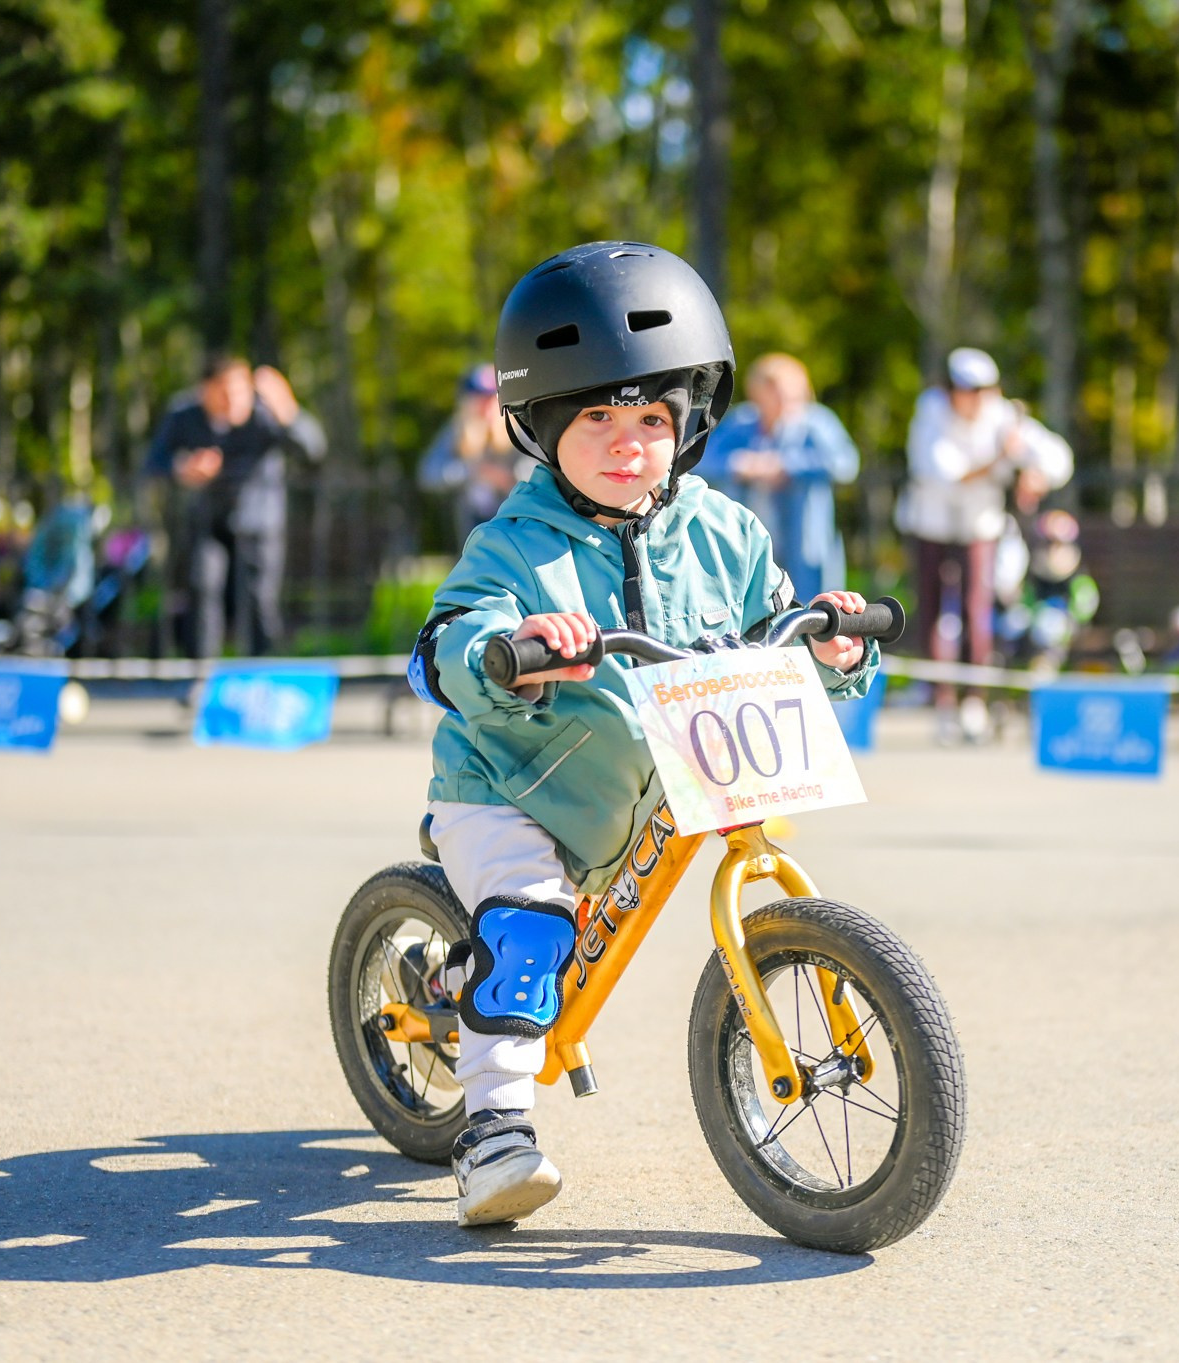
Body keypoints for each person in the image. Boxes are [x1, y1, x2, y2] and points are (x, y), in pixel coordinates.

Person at [408, 242, 881, 1228]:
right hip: (513, 784)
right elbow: (439, 647)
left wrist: (831, 648)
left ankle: (467, 975)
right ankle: (495, 1130)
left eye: (652, 418)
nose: (629, 441)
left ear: (691, 424)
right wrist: (509, 649)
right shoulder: (514, 544)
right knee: (534, 921)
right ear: (539, 426)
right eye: (597, 417)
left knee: (529, 944)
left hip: (666, 776)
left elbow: (774, 618)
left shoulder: (726, 534)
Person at [896, 347, 1072, 742]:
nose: (975, 399)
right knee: (933, 611)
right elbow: (944, 472)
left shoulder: (1003, 415)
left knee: (978, 609)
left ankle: (974, 701)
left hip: (980, 524)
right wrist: (1002, 459)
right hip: (932, 523)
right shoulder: (931, 412)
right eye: (967, 390)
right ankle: (941, 701)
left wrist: (1035, 473)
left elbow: (1059, 457)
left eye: (983, 390)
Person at [145, 356, 325, 659]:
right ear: (204, 391)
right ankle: (202, 674)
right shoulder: (184, 415)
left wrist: (290, 413)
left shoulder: (266, 412)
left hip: (259, 521)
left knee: (259, 600)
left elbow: (313, 450)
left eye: (239, 392)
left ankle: (261, 673)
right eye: (224, 393)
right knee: (202, 589)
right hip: (209, 521)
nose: (233, 401)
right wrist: (183, 467)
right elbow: (153, 463)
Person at [696, 352, 860, 603]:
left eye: (789, 393)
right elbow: (700, 460)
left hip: (806, 540)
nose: (781, 400)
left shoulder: (817, 422)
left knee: (811, 608)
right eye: (771, 392)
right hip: (750, 539)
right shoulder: (742, 422)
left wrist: (786, 466)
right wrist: (739, 464)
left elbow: (845, 463)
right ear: (756, 393)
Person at [418, 363, 535, 546]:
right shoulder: (455, 432)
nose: (486, 406)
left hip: (518, 527)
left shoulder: (518, 429)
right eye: (479, 399)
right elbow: (429, 474)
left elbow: (541, 469)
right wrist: (470, 471)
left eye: (491, 399)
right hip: (470, 531)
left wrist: (509, 478)